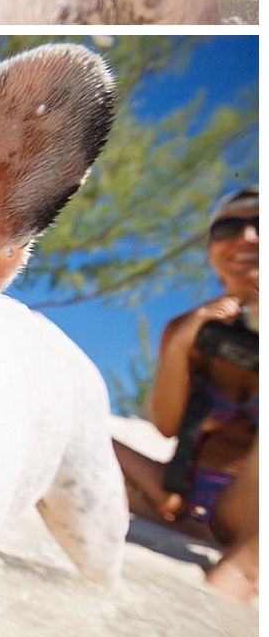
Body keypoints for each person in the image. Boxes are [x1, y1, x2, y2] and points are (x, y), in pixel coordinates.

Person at [113, 188, 258, 603]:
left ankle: (243, 571)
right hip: (177, 495)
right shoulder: (194, 328)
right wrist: (182, 341)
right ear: (211, 250)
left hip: (245, 515)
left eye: (260, 225)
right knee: (67, 429)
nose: (246, 236)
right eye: (229, 227)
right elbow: (166, 424)